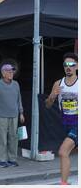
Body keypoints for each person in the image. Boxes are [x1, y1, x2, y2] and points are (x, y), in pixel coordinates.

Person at [45, 52, 78, 185]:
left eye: (72, 64)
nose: (68, 67)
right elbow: (48, 105)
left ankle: (63, 184)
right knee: (68, 152)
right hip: (65, 122)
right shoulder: (58, 83)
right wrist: (52, 96)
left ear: (77, 66)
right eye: (66, 64)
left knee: (63, 151)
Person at [0, 61, 25, 168]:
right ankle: (1, 160)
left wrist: (21, 113)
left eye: (12, 71)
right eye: (9, 71)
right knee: (2, 138)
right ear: (3, 73)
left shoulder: (16, 84)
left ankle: (12, 159)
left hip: (14, 115)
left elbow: (19, 99)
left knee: (13, 138)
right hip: (1, 116)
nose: (11, 73)